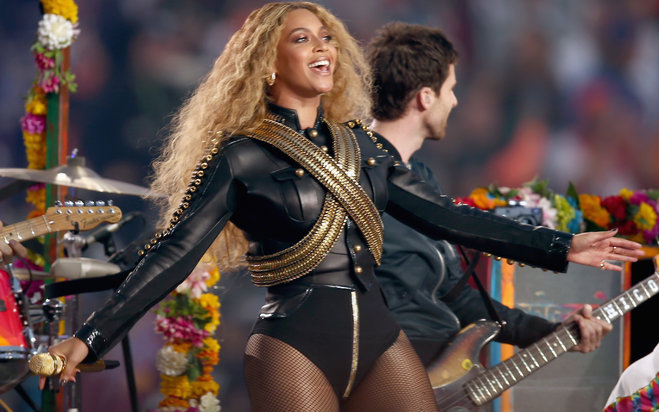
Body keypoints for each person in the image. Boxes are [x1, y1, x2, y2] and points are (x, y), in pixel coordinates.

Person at [42, 3, 643, 411]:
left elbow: (449, 217)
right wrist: (90, 338)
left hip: (381, 340)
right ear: (269, 63)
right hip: (294, 344)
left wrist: (562, 245)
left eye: (327, 35)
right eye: (302, 39)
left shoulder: (365, 147)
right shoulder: (241, 157)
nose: (323, 46)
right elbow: (174, 252)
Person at [366, 22, 614, 366]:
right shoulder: (360, 171)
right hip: (391, 366)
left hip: (437, 367)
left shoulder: (421, 177)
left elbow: (458, 298)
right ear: (425, 97)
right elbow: (454, 223)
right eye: (451, 89)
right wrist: (563, 246)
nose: (454, 101)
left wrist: (553, 333)